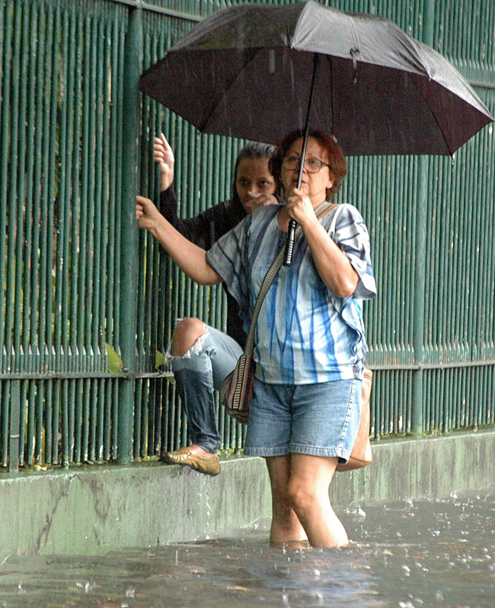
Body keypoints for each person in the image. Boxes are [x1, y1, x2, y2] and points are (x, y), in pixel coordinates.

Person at [136, 129, 376, 548]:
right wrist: (158, 224)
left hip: (327, 381)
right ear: (280, 170)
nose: (300, 169)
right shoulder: (259, 224)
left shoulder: (343, 218)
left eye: (313, 163)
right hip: (272, 383)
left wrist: (308, 222)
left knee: (305, 493)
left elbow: (344, 282)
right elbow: (208, 267)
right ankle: (288, 602)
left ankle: (340, 598)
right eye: (291, 161)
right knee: (284, 508)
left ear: (331, 177)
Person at [146, 134, 278, 476]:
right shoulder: (228, 217)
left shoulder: (294, 226)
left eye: (262, 183)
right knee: (188, 331)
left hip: (288, 368)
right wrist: (167, 184)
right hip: (243, 364)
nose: (250, 192)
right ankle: (205, 444)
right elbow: (177, 241)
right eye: (243, 182)